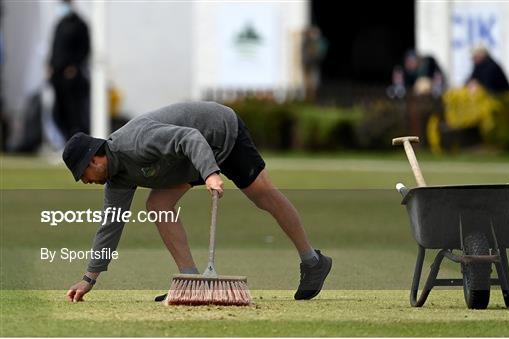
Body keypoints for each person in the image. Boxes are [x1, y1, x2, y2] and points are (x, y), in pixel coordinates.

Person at [62, 102, 332, 302]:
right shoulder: (116, 178)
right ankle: (191, 281)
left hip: (220, 133)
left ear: (95, 159)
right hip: (187, 160)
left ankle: (312, 261)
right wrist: (89, 278)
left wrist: (211, 174)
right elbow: (110, 225)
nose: (85, 181)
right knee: (158, 206)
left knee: (263, 196)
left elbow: (189, 137)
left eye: (83, 174)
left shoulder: (135, 143)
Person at [48, 0, 90, 141]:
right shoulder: (60, 23)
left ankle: (79, 144)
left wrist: (74, 67)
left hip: (72, 79)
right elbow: (54, 48)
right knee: (58, 113)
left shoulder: (80, 24)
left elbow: (84, 49)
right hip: (57, 77)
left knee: (75, 115)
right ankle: (66, 144)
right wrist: (50, 66)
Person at [301, 26, 327, 100]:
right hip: (309, 63)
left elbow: (320, 52)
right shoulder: (308, 42)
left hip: (313, 63)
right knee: (309, 79)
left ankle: (313, 96)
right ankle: (309, 95)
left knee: (313, 79)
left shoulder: (317, 42)